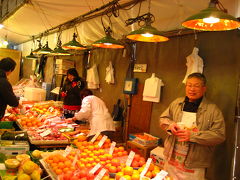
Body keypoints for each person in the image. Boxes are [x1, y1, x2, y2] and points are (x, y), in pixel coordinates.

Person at [159, 73, 225, 180]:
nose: (192, 89)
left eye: (196, 86)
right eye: (189, 85)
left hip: (195, 164)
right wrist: (170, 125)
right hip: (171, 157)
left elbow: (219, 135)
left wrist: (193, 136)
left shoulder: (213, 110)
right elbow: (163, 119)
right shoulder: (177, 103)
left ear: (204, 89)